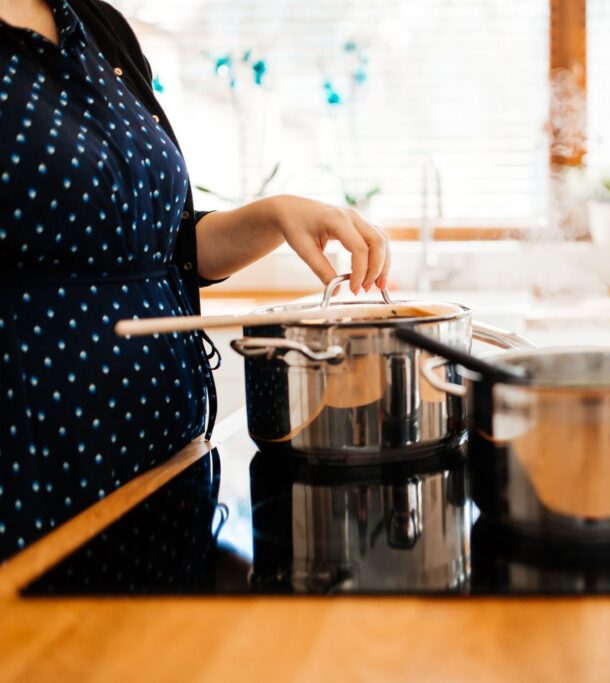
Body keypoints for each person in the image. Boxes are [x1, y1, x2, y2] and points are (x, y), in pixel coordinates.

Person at [0, 0, 391, 560]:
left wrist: (275, 215)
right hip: (37, 468)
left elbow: (162, 248)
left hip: (164, 460)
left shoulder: (97, 24)